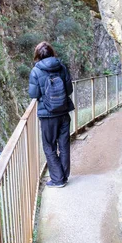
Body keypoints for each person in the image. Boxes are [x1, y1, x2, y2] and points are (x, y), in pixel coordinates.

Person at [28, 42, 75, 188]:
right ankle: (64, 176)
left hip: (48, 115)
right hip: (64, 111)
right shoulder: (61, 66)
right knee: (64, 144)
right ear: (51, 52)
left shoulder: (36, 71)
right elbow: (69, 89)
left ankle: (57, 179)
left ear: (37, 55)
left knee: (49, 147)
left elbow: (34, 94)